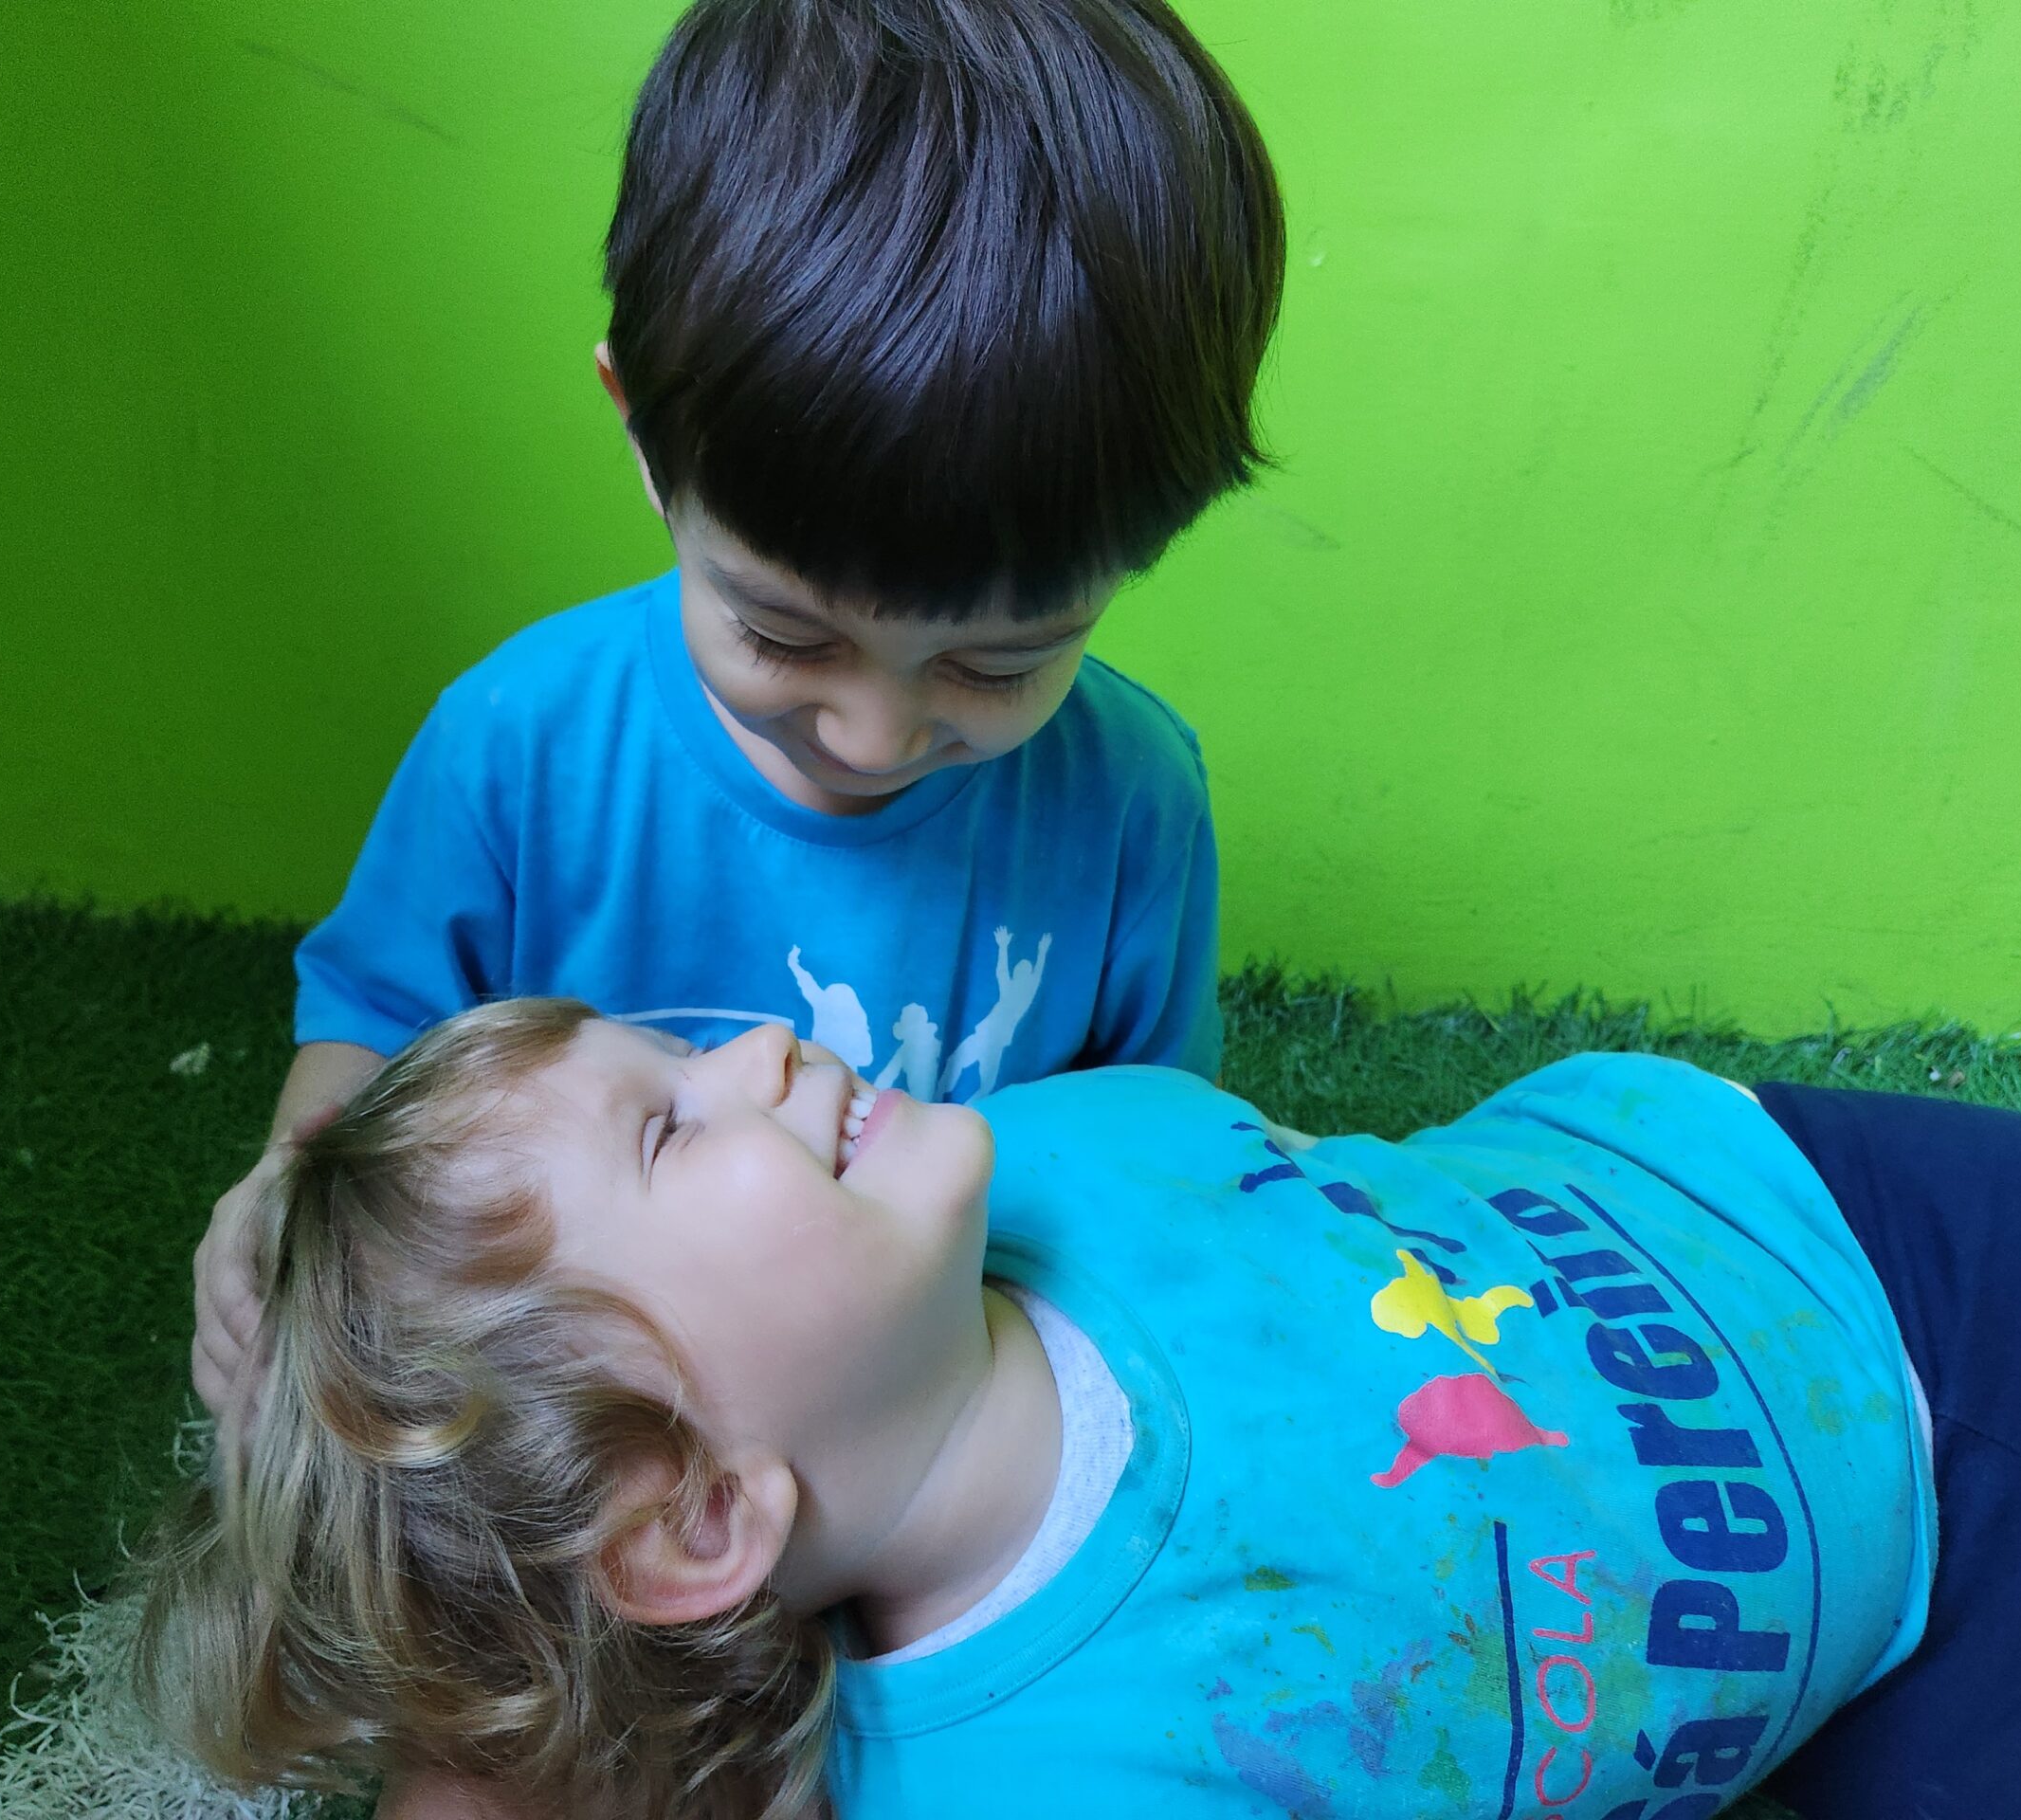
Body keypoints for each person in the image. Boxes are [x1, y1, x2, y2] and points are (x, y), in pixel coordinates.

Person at [138, 1001, 2021, 1820]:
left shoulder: (1040, 1149)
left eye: (671, 1048)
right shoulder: (1064, 1779)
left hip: (1800, 1192)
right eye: (669, 1127)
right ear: (690, 1519)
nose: (758, 1046)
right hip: (1942, 1612)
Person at [188, 0, 1286, 1449]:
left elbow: (1160, 1163)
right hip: (606, 1448)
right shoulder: (520, 748)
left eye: (997, 663)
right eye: (784, 634)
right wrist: (291, 1186)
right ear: (646, 437)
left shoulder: (1133, 804)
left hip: (937, 1435)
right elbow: (376, 1037)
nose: (875, 736)